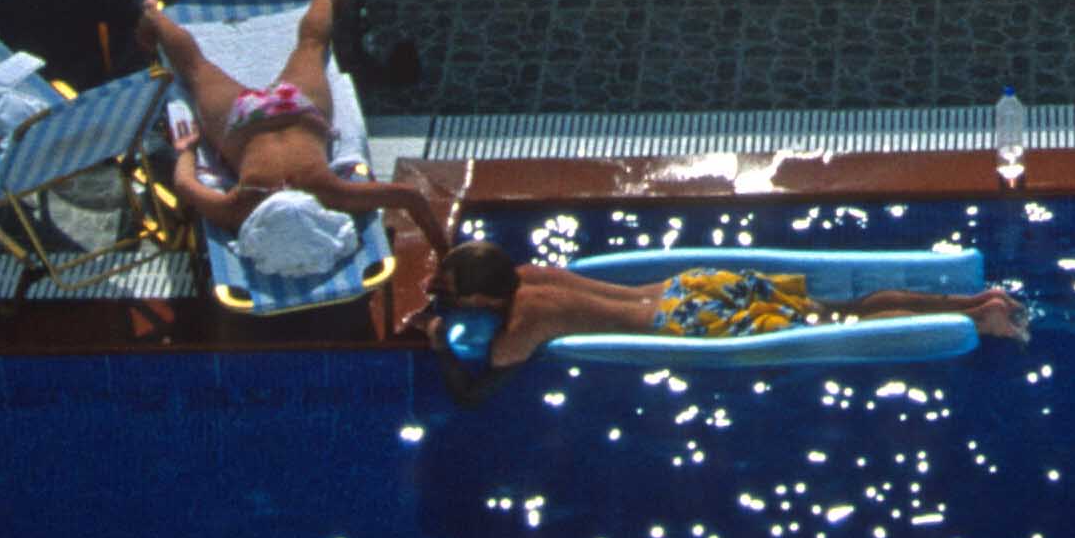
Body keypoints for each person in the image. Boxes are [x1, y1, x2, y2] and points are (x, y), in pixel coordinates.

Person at [394, 178, 1027, 393]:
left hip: (686, 324)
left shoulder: (524, 325)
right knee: (837, 310)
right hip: (695, 285)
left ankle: (981, 321)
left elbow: (474, 390)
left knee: (844, 325)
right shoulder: (527, 274)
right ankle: (973, 301)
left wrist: (436, 336)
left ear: (481, 298)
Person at [144, 0, 433, 272]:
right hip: (244, 121)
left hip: (298, 110)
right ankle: (154, 13)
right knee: (196, 67)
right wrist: (187, 149)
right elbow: (184, 183)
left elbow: (410, 197)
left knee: (308, 46)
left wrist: (442, 246)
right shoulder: (239, 208)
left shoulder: (331, 193)